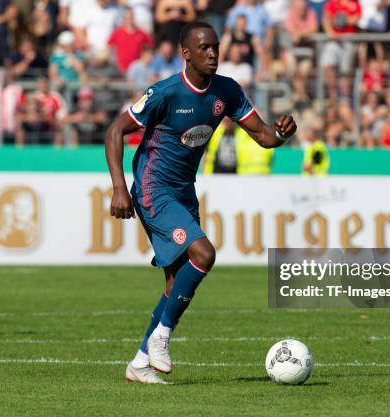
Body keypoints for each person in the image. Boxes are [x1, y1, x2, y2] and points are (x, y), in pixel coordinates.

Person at [104, 21, 296, 384]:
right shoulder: (165, 93)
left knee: (176, 281)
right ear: (186, 54)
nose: (212, 53)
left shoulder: (227, 91)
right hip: (152, 187)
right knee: (204, 254)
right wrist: (118, 188)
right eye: (204, 48)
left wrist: (282, 134)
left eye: (216, 47)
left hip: (184, 190)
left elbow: (264, 137)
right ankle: (161, 338)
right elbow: (115, 130)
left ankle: (140, 362)